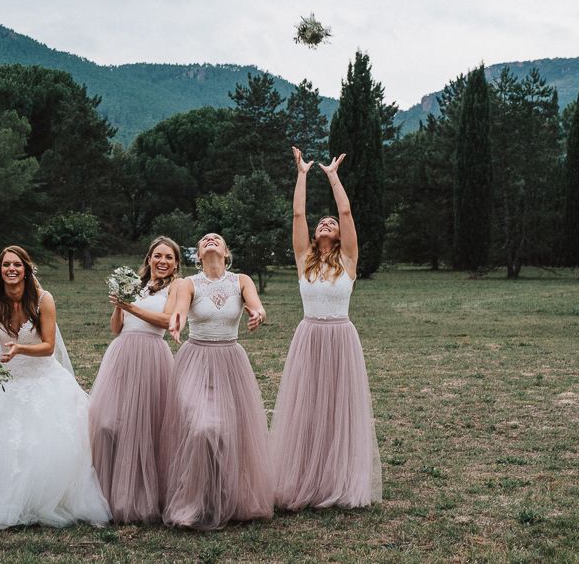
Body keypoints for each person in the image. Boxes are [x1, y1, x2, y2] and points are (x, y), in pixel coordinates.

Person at [0, 246, 111, 529]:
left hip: (43, 377)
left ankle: (48, 500)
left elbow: (47, 347)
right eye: (6, 265)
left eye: (16, 265)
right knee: (6, 442)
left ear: (26, 269)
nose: (11, 269)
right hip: (9, 380)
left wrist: (20, 348)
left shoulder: (44, 299)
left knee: (47, 442)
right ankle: (8, 501)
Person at [268, 147, 382, 510]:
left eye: (330, 223)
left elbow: (346, 211)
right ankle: (306, 479)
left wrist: (333, 176)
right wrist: (302, 174)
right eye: (323, 223)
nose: (326, 223)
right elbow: (298, 213)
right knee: (307, 410)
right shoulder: (304, 260)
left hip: (341, 338)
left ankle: (338, 480)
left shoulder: (348, 260)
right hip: (309, 337)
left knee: (339, 409)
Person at [162, 233, 273, 530]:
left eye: (216, 239)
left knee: (228, 432)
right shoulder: (188, 284)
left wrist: (258, 314)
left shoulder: (241, 280)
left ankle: (223, 496)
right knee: (201, 428)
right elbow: (181, 312)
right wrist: (176, 323)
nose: (210, 240)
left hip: (230, 362)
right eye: (204, 240)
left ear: (226, 252)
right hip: (196, 360)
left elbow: (257, 306)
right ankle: (193, 503)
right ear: (198, 255)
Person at [89, 236, 182, 523]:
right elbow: (115, 327)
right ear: (149, 258)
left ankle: (145, 497)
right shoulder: (135, 284)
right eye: (158, 256)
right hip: (122, 353)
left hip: (152, 354)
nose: (162, 262)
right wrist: (120, 304)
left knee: (147, 427)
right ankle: (105, 495)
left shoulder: (178, 287)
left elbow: (169, 320)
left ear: (176, 263)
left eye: (168, 257)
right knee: (105, 422)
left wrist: (130, 307)